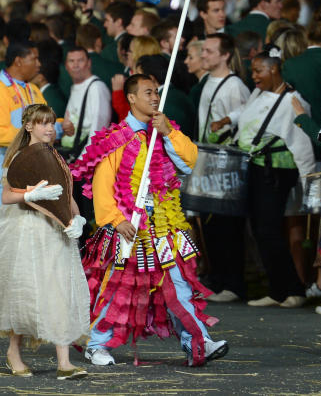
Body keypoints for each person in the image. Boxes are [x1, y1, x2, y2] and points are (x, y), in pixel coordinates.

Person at [72, 74, 226, 367]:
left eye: (156, 92)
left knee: (178, 285)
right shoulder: (116, 138)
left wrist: (169, 132)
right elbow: (103, 187)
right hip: (129, 231)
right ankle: (96, 344)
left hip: (164, 229)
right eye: (147, 92)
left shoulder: (165, 131)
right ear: (131, 98)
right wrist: (116, 220)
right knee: (118, 288)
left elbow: (188, 162)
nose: (154, 97)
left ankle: (198, 341)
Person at [0, 104, 89, 380]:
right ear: (29, 127)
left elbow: (66, 193)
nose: (49, 128)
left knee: (59, 286)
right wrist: (30, 195)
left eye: (51, 123)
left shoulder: (55, 156)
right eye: (42, 123)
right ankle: (14, 351)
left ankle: (64, 361)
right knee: (25, 290)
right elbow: (7, 196)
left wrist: (77, 218)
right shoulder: (19, 157)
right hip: (26, 228)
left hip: (54, 229)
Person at [221, 53, 315, 308]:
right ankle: (277, 289)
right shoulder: (259, 94)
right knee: (260, 230)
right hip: (255, 168)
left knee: (269, 230)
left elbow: (303, 145)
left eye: (259, 71)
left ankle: (294, 289)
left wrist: (309, 184)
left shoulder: (293, 101)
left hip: (275, 172)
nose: (254, 76)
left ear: (274, 70)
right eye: (252, 71)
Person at [196, 33, 252, 303]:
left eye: (208, 51)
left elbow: (245, 123)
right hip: (209, 164)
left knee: (227, 226)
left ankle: (233, 283)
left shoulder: (235, 86)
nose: (203, 55)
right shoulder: (208, 81)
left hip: (226, 167)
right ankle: (218, 280)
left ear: (225, 55)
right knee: (212, 226)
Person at [0, 40, 54, 215]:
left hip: (34, 170)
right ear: (18, 61)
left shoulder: (32, 89)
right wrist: (40, 132)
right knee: (3, 229)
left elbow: (46, 122)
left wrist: (59, 126)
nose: (39, 64)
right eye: (34, 59)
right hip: (5, 173)